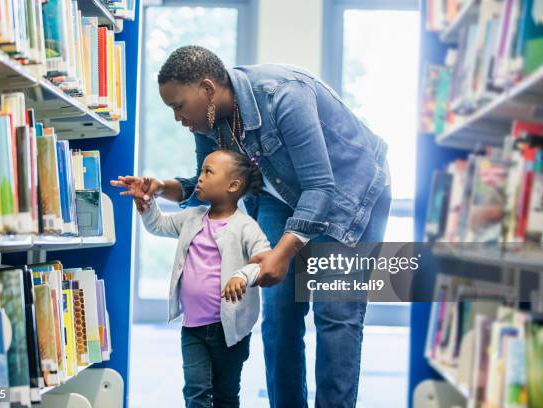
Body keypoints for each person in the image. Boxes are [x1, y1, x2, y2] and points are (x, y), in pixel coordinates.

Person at [122, 45, 391, 408]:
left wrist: (283, 251)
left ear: (206, 89)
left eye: (179, 106)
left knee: (335, 314)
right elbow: (208, 187)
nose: (177, 118)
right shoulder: (209, 121)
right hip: (282, 198)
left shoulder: (283, 95)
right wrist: (161, 188)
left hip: (351, 194)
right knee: (279, 317)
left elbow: (320, 187)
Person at [112, 150, 271, 408]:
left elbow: (263, 260)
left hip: (231, 332)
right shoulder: (192, 216)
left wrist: (242, 276)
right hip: (193, 328)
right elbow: (159, 226)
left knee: (226, 395)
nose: (199, 178)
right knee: (195, 390)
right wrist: (147, 205)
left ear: (233, 186)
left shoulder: (246, 226)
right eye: (201, 171)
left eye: (208, 172)